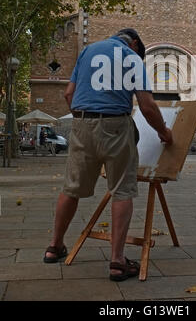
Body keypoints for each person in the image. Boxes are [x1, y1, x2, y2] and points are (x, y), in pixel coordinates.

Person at [43, 28, 173, 281]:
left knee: (71, 188)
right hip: (116, 125)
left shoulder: (88, 51)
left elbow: (68, 94)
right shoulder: (131, 57)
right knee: (122, 190)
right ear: (134, 43)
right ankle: (117, 261)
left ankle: (54, 247)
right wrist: (164, 131)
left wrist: (85, 118)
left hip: (81, 123)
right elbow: (147, 106)